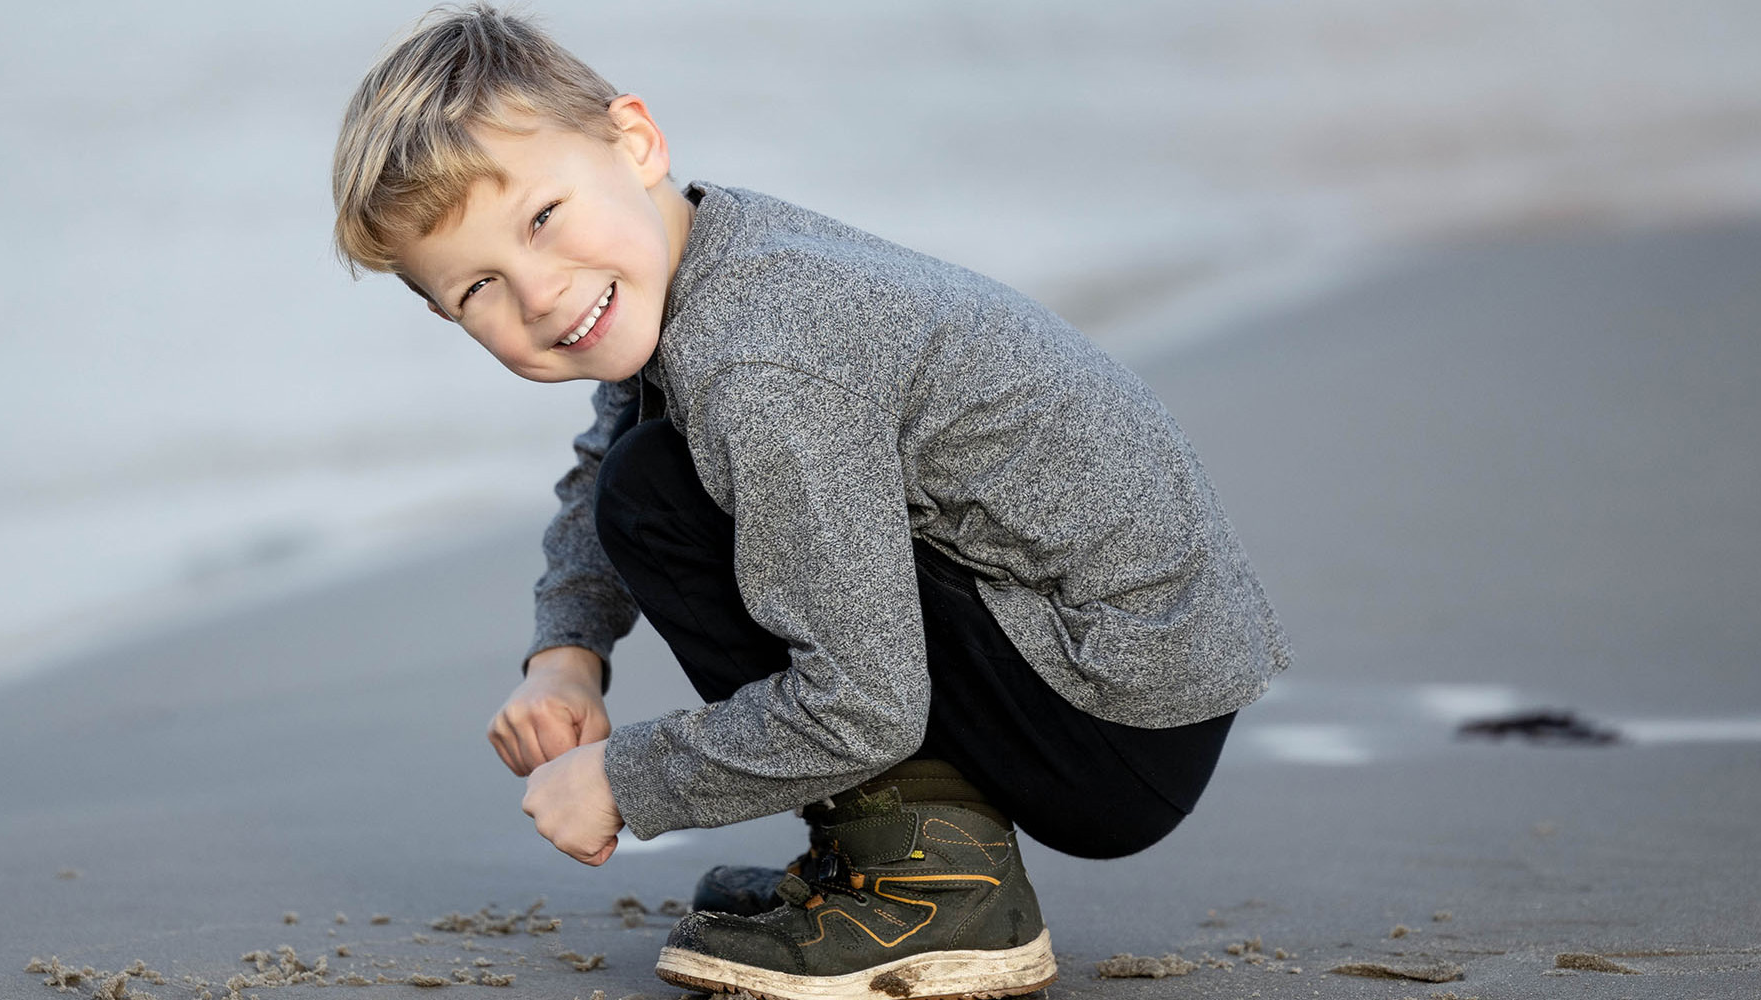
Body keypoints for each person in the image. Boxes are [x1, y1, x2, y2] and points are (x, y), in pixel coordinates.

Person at [329, 6, 1289, 998]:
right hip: (1116, 665)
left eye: (541, 218)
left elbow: (862, 707)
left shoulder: (760, 355)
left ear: (636, 140)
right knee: (646, 471)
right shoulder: (704, 253)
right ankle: (901, 853)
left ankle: (931, 886)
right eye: (477, 286)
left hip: (1111, 706)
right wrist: (565, 659)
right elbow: (607, 449)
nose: (536, 293)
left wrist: (623, 781)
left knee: (658, 495)